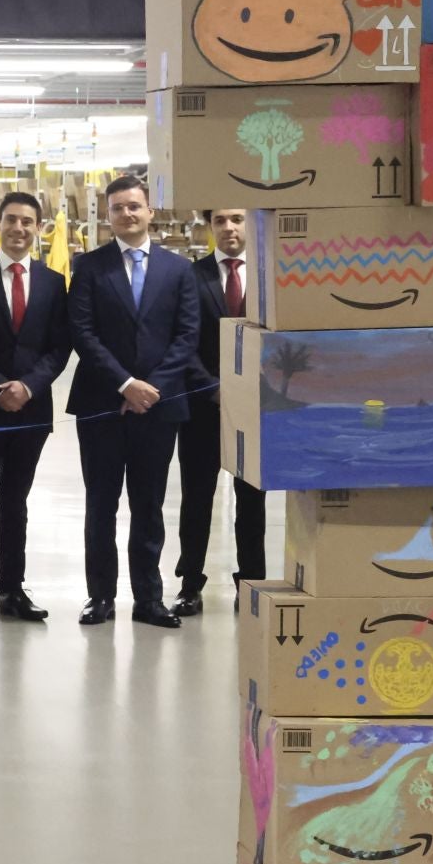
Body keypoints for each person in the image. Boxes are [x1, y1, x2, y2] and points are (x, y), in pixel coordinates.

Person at [67, 176, 200, 630]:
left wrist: (150, 389)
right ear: (108, 216)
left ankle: (149, 598)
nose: (127, 214)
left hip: (159, 408)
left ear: (150, 212)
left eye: (135, 207)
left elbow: (187, 336)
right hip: (102, 405)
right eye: (118, 208)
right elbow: (82, 333)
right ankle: (99, 596)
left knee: (149, 504)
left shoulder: (178, 270)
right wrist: (125, 384)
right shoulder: (89, 267)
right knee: (100, 504)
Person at [0, 193, 70, 624]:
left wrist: (29, 386)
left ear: (39, 228)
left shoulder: (53, 281)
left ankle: (12, 589)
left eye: (27, 222)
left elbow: (61, 347)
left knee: (16, 503)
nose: (18, 229)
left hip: (31, 412)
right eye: (10, 220)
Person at [174, 208, 267, 615]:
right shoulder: (190, 278)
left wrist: (252, 391)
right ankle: (190, 584)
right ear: (209, 227)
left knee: (252, 500)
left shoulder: (271, 276)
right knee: (196, 497)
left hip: (257, 409)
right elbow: (182, 340)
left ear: (250, 222)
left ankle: (252, 583)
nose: (229, 227)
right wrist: (212, 387)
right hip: (202, 408)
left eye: (237, 219)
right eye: (220, 221)